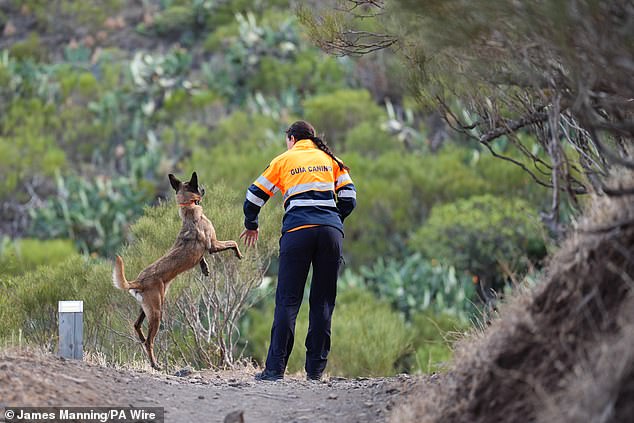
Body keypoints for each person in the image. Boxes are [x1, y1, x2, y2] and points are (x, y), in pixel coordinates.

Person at [240, 120, 356, 381]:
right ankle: (315, 372)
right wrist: (332, 221)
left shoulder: (283, 160)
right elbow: (349, 198)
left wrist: (252, 224)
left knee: (288, 301)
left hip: (296, 232)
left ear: (291, 138)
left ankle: (274, 370)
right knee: (323, 301)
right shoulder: (331, 159)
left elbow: (253, 197)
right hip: (330, 233)